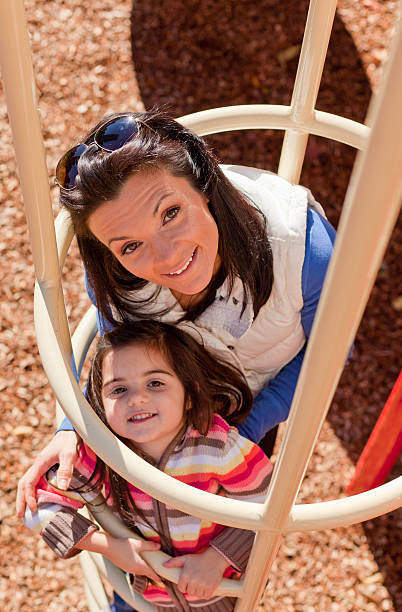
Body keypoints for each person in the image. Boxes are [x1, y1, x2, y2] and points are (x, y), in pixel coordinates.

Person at [17, 107, 336, 508]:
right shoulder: (117, 281)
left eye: (170, 213)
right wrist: (74, 426)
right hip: (165, 401)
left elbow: (331, 354)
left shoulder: (306, 250)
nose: (168, 258)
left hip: (254, 404)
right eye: (130, 245)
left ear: (202, 182)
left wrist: (242, 431)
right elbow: (122, 353)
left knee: (227, 527)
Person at [24, 320, 273, 611]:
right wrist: (110, 548)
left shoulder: (217, 448)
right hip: (146, 596)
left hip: (219, 588)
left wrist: (217, 558)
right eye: (118, 390)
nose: (137, 398)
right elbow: (38, 506)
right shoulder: (103, 457)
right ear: (100, 403)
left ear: (189, 394)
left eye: (155, 383)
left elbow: (268, 508)